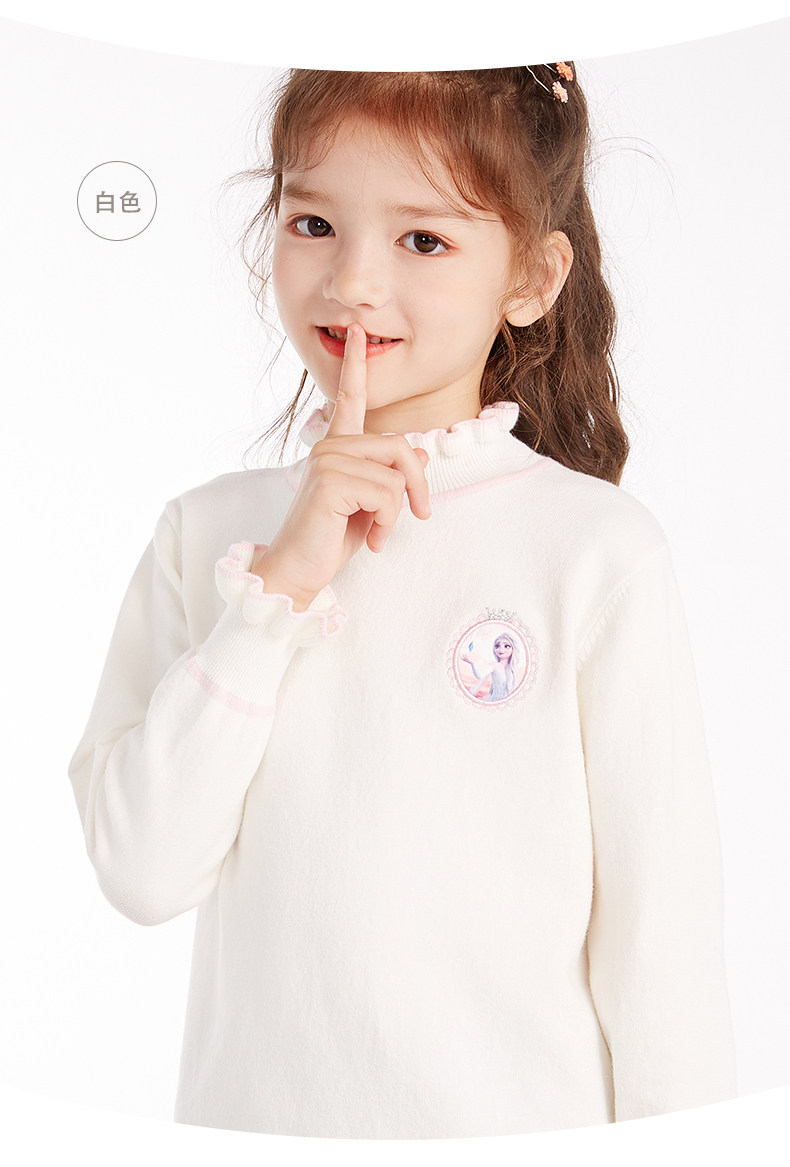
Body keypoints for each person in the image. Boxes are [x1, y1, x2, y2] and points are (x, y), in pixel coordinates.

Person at [68, 65, 737, 1139]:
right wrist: (278, 590)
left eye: (423, 239)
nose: (353, 282)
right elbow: (142, 871)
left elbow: (663, 950)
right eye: (314, 223)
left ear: (531, 276)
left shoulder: (594, 551)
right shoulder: (208, 536)